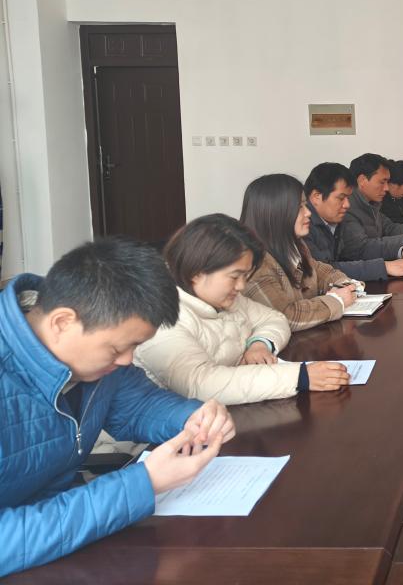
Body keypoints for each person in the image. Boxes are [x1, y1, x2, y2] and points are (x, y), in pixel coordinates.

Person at [0, 238, 235, 578]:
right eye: (116, 349)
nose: (127, 360)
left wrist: (194, 417)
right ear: (62, 322)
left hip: (64, 542)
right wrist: (143, 483)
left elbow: (137, 404)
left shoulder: (91, 361)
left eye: (134, 347)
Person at [134, 214, 349, 405]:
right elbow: (200, 384)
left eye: (245, 276)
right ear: (197, 271)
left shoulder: (223, 298)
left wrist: (259, 344)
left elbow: (274, 318)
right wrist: (298, 377)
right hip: (175, 431)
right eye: (234, 276)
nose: (241, 286)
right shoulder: (162, 319)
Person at [240, 174, 358, 332]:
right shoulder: (254, 262)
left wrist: (345, 285)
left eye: (305, 205)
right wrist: (336, 301)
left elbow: (320, 271)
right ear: (275, 212)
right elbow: (285, 316)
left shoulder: (295, 245)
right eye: (299, 207)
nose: (308, 213)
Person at [304, 162, 403, 281]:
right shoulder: (304, 227)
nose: (347, 204)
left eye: (347, 198)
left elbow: (350, 255)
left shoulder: (336, 217)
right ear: (317, 197)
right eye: (341, 198)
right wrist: (384, 267)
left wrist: (401, 252)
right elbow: (324, 272)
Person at [337, 153, 403, 262]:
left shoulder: (372, 204)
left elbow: (389, 228)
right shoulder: (346, 208)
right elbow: (361, 249)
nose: (386, 188)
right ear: (362, 180)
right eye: (382, 182)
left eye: (387, 182)